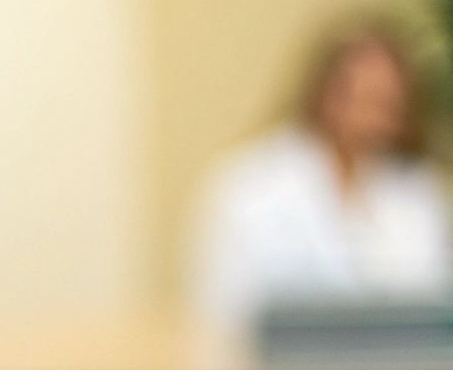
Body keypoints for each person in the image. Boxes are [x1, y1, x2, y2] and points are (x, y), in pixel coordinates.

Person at [192, 18, 452, 331]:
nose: (378, 118)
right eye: (367, 98)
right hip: (283, 362)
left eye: (390, 104)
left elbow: (436, 305)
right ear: (325, 94)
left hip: (400, 360)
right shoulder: (250, 187)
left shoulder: (416, 191)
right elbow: (222, 314)